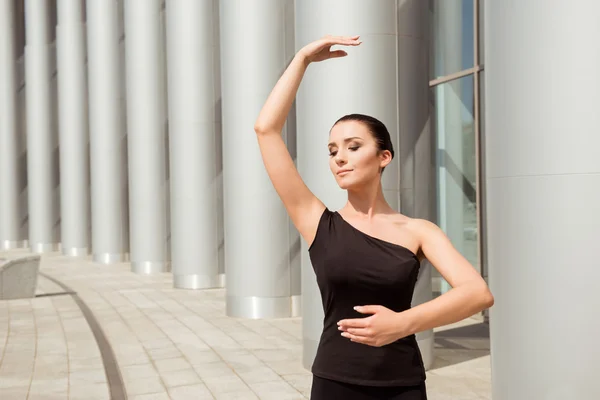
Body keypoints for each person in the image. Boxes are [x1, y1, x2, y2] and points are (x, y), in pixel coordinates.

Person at [253, 35, 494, 400]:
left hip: (401, 384)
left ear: (384, 157)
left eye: (353, 147)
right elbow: (266, 130)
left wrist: (402, 324)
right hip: (335, 381)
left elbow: (477, 293)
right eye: (333, 150)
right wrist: (301, 58)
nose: (339, 157)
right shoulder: (319, 222)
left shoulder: (418, 231)